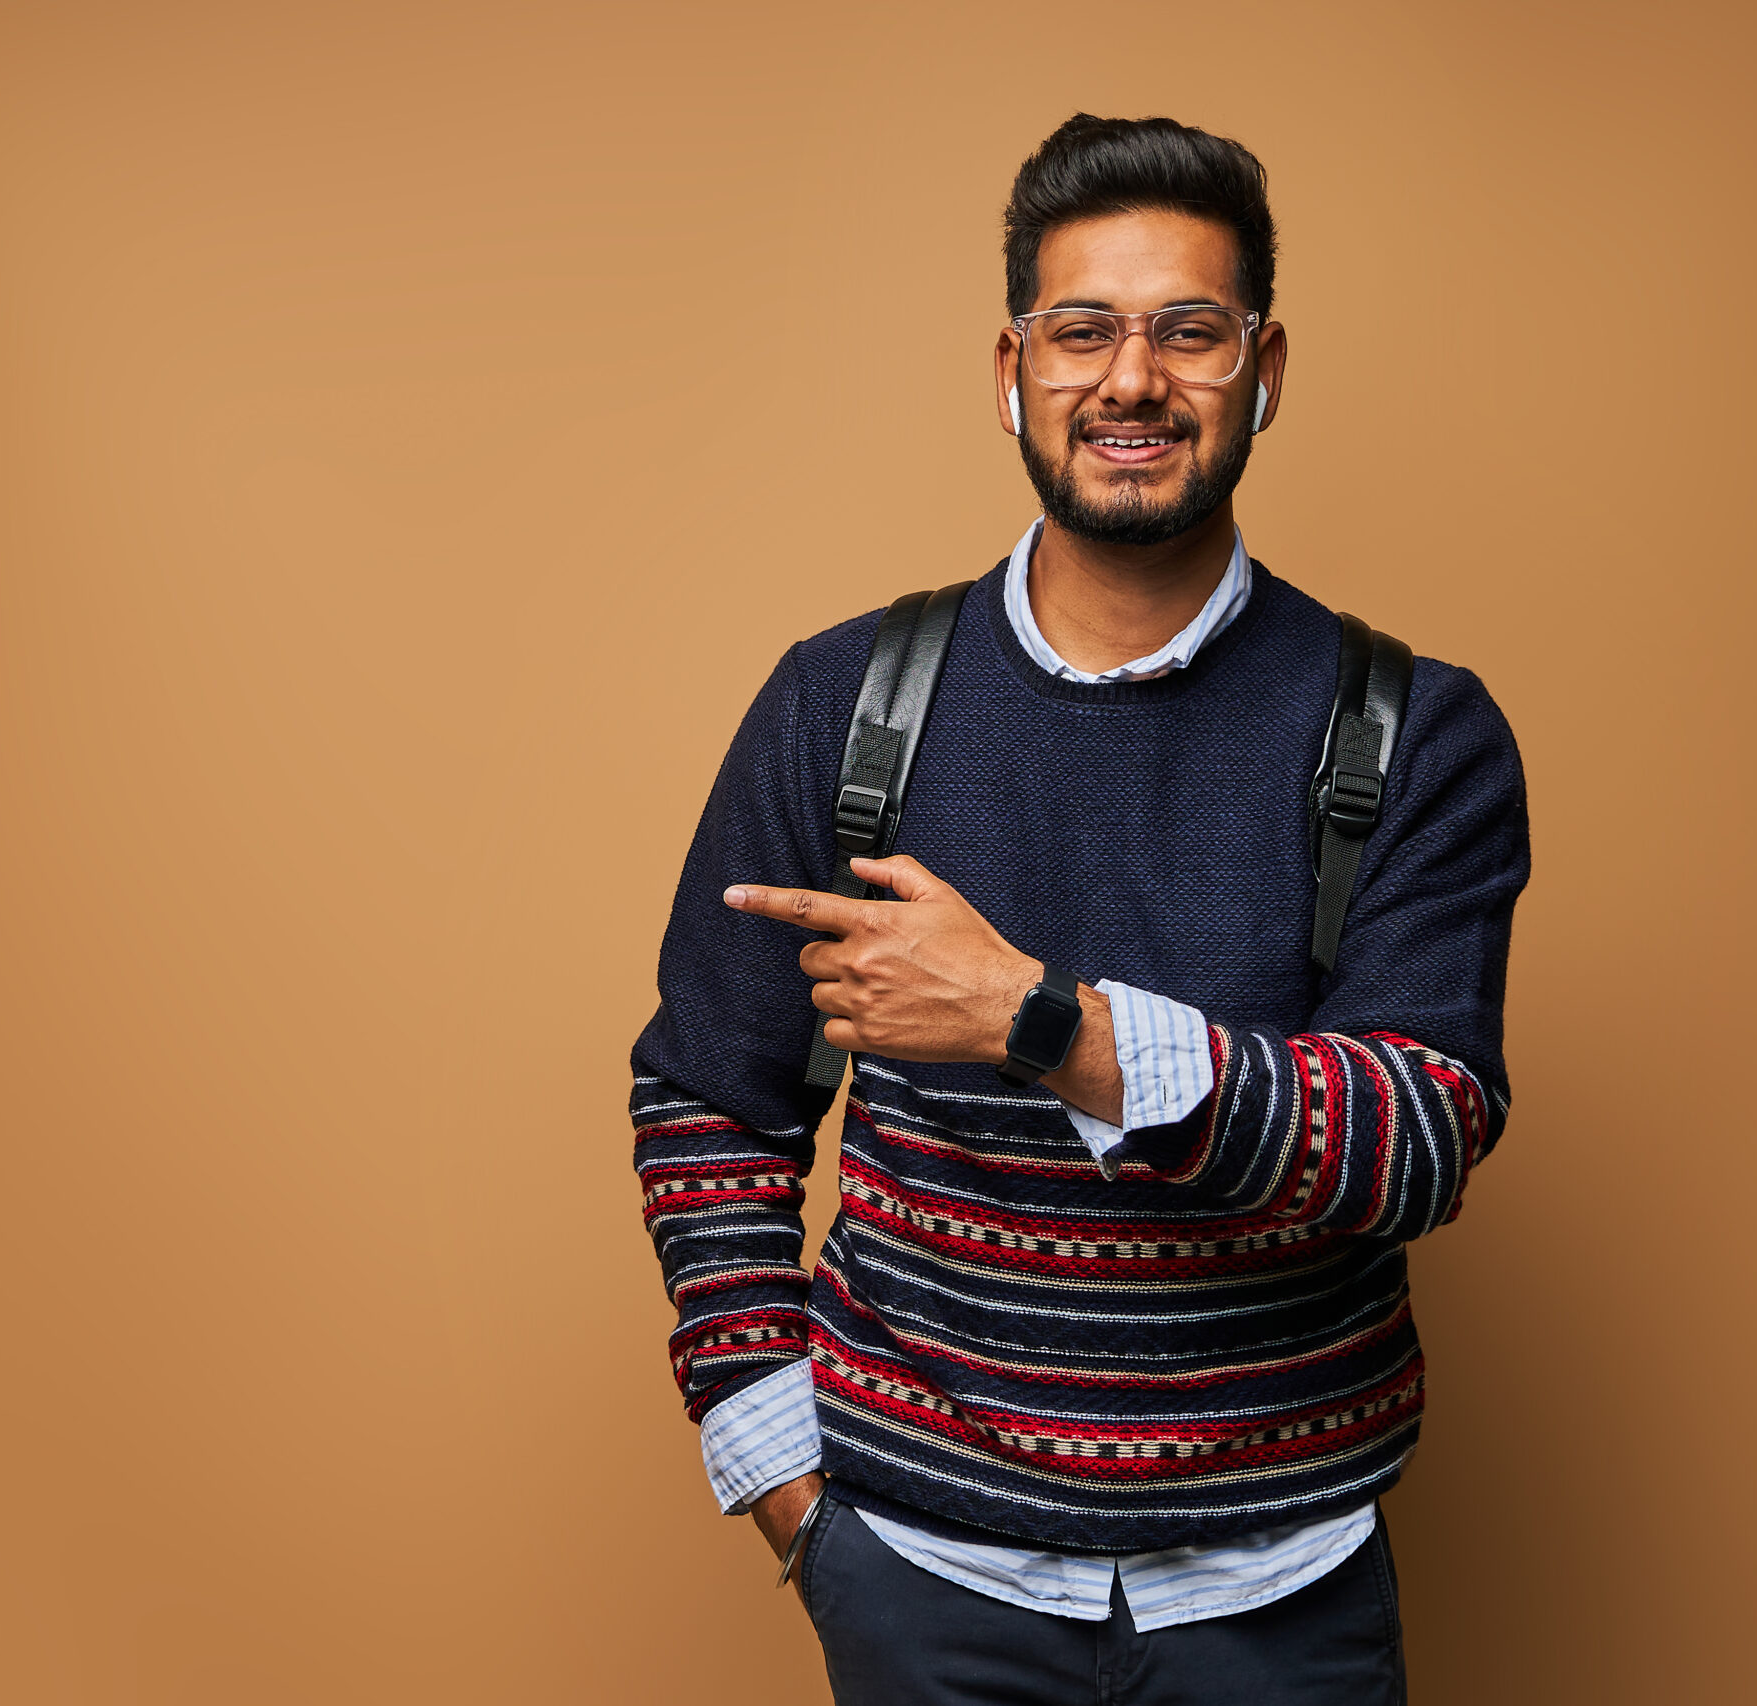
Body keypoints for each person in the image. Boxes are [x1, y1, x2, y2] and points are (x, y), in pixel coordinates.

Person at [629, 115, 1530, 1704]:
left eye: (1190, 331)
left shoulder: (1411, 730)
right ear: (1010, 371)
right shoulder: (848, 703)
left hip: (1285, 1602)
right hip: (920, 1577)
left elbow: (1415, 1140)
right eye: (1082, 330)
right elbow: (709, 1094)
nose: (1132, 380)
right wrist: (786, 1485)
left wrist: (1040, 1024)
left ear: (1263, 370)